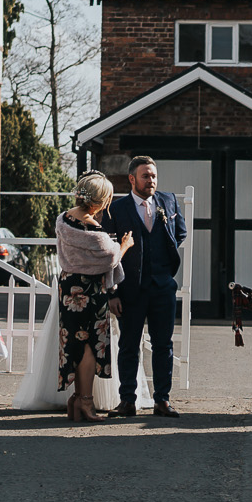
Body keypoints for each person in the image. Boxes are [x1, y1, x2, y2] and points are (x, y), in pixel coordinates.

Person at [103, 155, 188, 418]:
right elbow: (108, 252)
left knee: (164, 345)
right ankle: (127, 400)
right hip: (130, 289)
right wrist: (112, 293)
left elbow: (180, 232)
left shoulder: (168, 201)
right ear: (132, 179)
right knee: (129, 345)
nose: (151, 180)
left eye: (153, 176)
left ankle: (162, 400)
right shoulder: (116, 210)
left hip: (163, 286)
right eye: (145, 176)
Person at [54, 172, 132, 423]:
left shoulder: (62, 220)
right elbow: (111, 260)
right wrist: (124, 246)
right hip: (90, 291)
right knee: (88, 346)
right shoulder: (96, 234)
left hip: (68, 288)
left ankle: (76, 399)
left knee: (74, 343)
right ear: (100, 202)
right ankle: (86, 402)